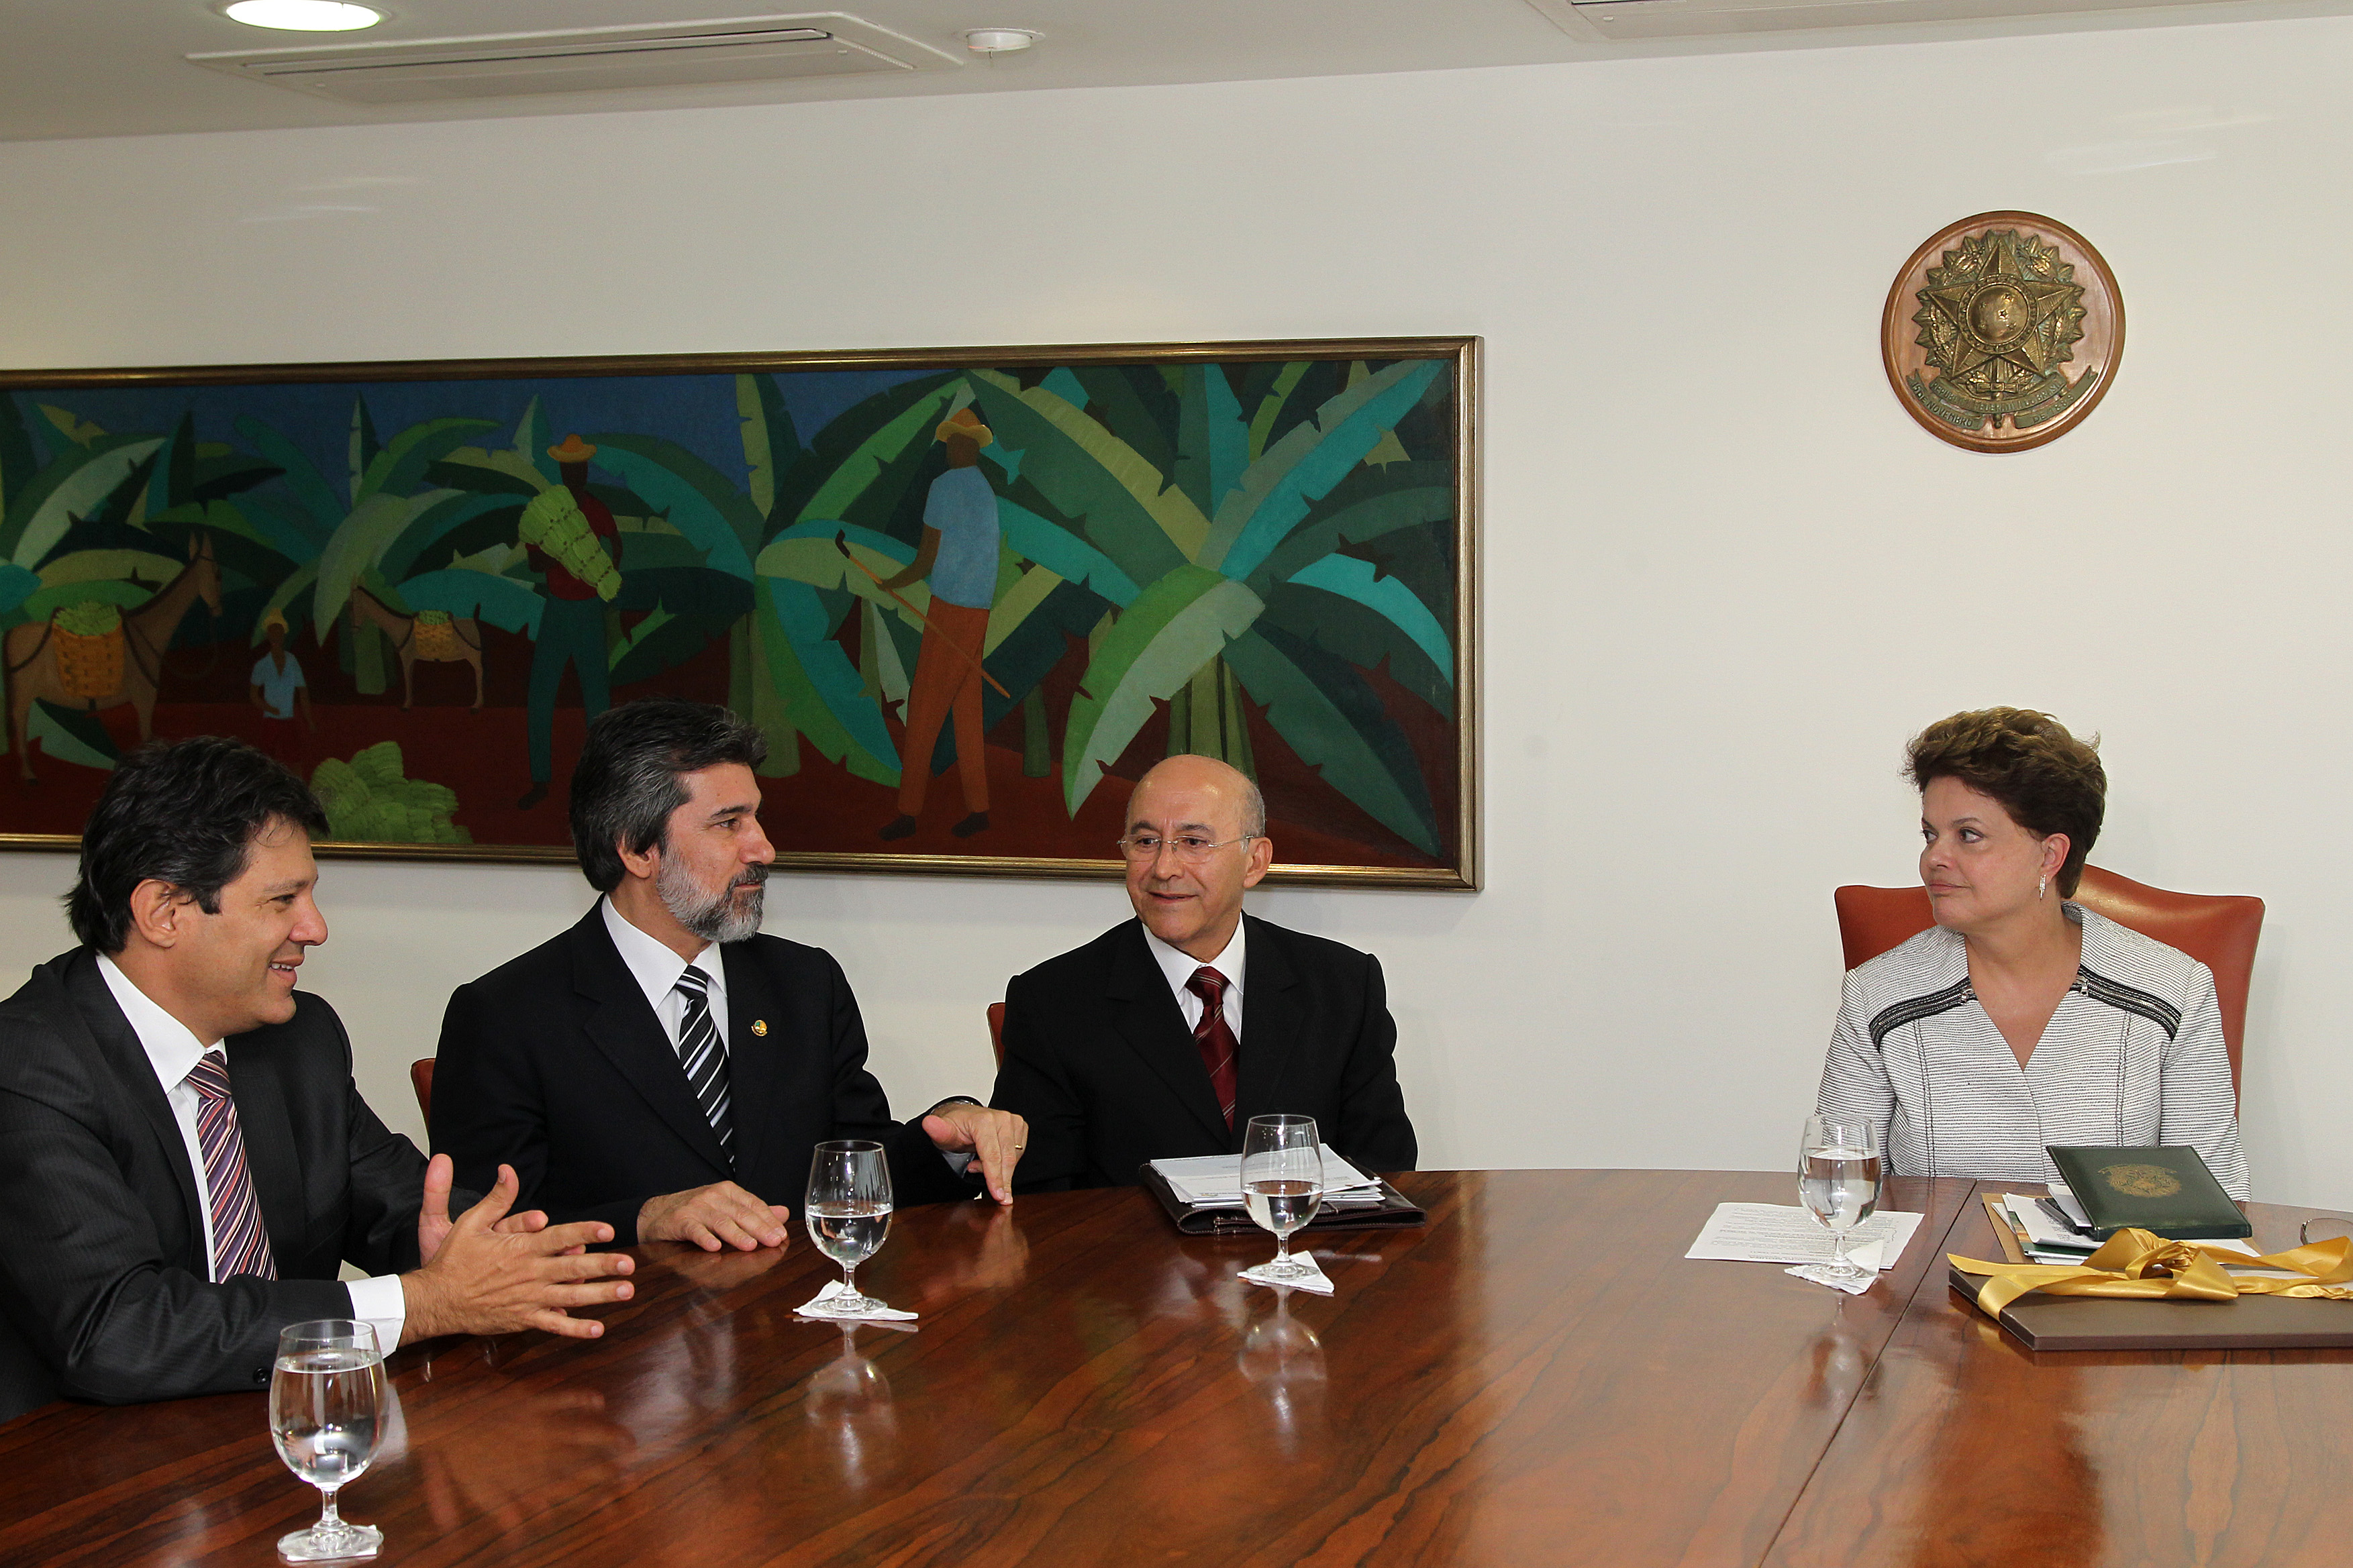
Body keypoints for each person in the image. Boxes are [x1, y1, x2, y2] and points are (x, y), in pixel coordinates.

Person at [0, 738, 635, 1425]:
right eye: (282, 900)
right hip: (80, 1474)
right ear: (164, 913)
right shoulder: (29, 1066)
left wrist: (467, 1251)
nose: (316, 928)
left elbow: (398, 1205)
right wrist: (420, 1304)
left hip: (287, 1437)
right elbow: (119, 1331)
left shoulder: (296, 1038)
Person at [431, 697, 1028, 1251]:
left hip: (794, 1341)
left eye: (757, 819)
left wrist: (948, 1137)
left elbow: (855, 1174)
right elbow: (481, 1240)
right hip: (611, 1347)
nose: (763, 848)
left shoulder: (805, 984)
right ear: (637, 849)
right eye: (729, 823)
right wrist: (644, 1218)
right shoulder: (507, 1016)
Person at [1817, 708, 2246, 1196]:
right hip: (1933, 1271)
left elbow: (2215, 1204)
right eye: (1930, 834)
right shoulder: (1877, 994)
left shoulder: (2173, 989)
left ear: (2050, 855)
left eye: (1969, 835)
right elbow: (1841, 1189)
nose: (1935, 857)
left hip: (2112, 1274)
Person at [990, 753, 1417, 1190]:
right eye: (1145, 842)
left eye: (1193, 842)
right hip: (1128, 1256)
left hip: (1301, 1252)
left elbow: (1385, 1171)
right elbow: (1039, 1205)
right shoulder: (1053, 1002)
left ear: (1254, 861)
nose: (1164, 868)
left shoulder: (1343, 987)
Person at [877, 407, 1001, 843]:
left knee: (925, 708)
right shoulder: (985, 490)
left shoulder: (945, 486)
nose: (951, 449)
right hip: (978, 613)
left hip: (950, 608)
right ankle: (979, 808)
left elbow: (926, 558)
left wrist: (894, 582)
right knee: (966, 712)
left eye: (956, 442)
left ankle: (908, 812)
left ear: (968, 446)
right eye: (950, 442)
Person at [517, 434, 620, 811]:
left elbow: (616, 544)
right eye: (569, 467)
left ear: (586, 470)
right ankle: (540, 780)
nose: (575, 473)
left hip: (589, 609)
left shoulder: (596, 509)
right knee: (541, 695)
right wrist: (560, 555)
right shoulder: (547, 513)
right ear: (562, 470)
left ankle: (604, 784)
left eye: (580, 467)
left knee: (598, 701)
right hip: (558, 609)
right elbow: (533, 562)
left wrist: (603, 573)